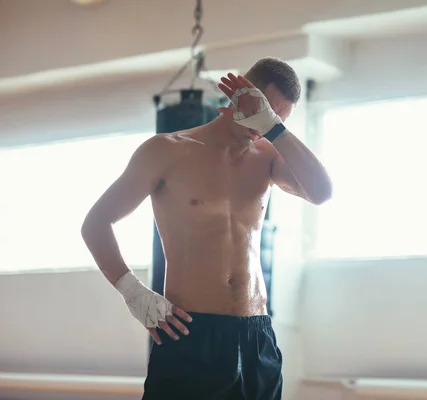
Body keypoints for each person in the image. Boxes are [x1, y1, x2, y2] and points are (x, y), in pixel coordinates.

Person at [81, 57, 332, 400]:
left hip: (257, 336)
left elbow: (322, 192)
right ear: (240, 91)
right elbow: (96, 223)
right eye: (262, 110)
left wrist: (274, 127)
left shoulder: (268, 157)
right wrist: (133, 291)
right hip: (191, 332)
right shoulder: (166, 151)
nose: (261, 125)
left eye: (275, 117)